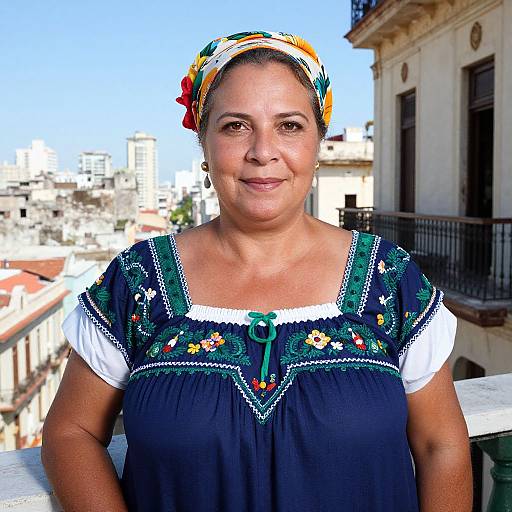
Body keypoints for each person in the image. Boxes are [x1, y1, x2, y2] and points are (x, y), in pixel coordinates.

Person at [42, 31, 472, 511]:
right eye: (235, 126)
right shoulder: (138, 283)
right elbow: (71, 431)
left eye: (289, 126)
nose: (262, 151)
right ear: (203, 142)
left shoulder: (390, 280)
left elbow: (442, 446)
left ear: (317, 141)